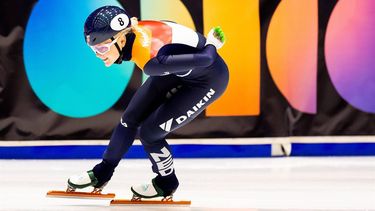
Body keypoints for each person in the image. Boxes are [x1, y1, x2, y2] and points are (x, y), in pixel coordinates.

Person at [67, 5, 229, 199]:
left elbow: (206, 59)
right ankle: (102, 173)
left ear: (122, 39)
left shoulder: (151, 61)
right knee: (129, 119)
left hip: (208, 79)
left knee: (150, 133)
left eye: (102, 48)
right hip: (178, 66)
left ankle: (166, 183)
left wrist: (212, 42)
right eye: (94, 49)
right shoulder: (133, 29)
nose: (99, 55)